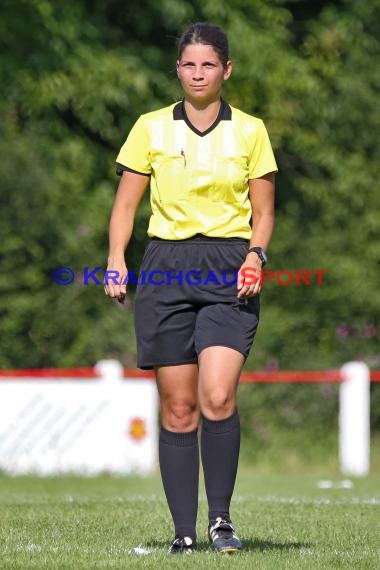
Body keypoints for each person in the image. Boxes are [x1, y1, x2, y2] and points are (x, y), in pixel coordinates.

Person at [105, 22, 277, 555]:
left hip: (230, 265)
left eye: (208, 64)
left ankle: (221, 521)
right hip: (166, 266)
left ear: (226, 69)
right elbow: (127, 206)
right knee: (179, 409)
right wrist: (115, 260)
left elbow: (264, 212)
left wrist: (256, 255)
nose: (197, 73)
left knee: (218, 395)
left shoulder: (250, 130)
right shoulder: (150, 128)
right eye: (188, 64)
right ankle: (183, 531)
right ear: (177, 70)